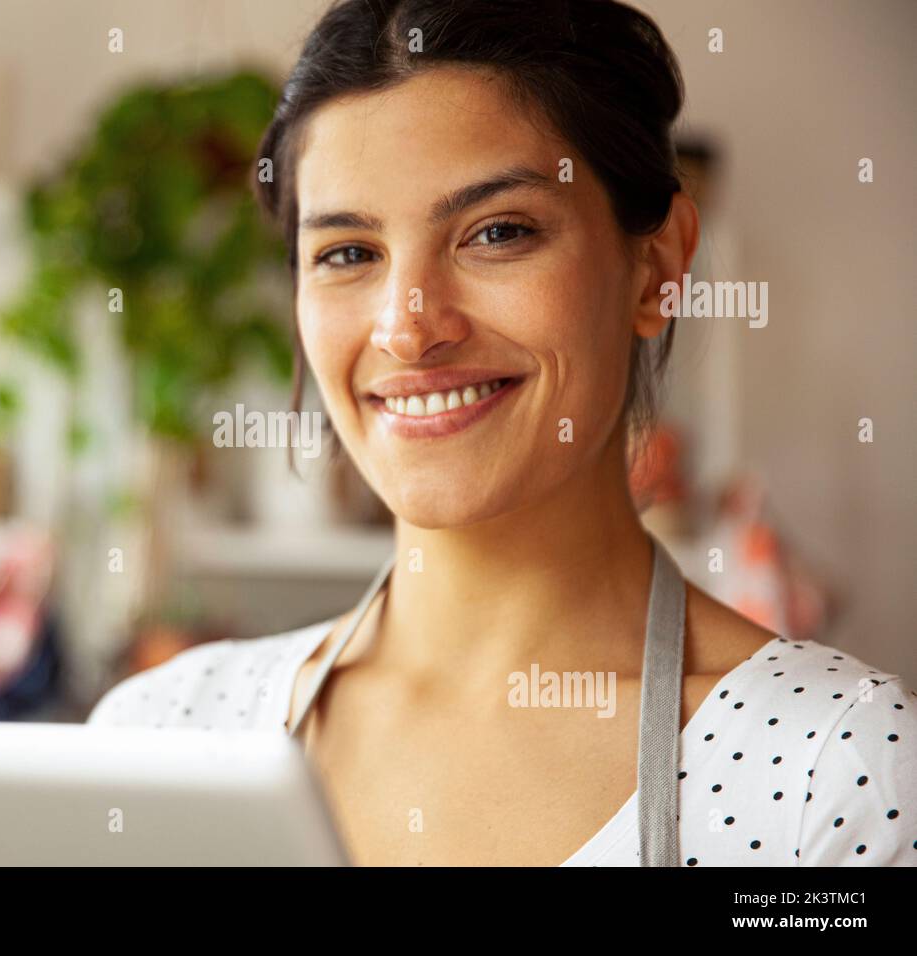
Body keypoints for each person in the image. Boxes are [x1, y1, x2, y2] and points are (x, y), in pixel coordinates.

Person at [87, 0, 916, 867]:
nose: (409, 330)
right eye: (347, 252)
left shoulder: (834, 769)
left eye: (497, 233)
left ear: (657, 267)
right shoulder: (161, 738)